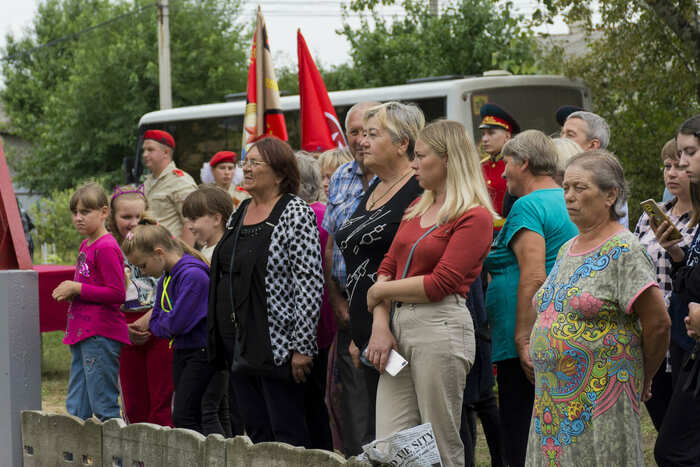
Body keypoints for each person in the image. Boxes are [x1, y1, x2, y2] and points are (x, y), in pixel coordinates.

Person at [526, 150, 670, 465]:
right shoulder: (567, 247)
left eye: (580, 188)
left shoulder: (625, 249)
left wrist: (645, 375)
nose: (569, 197)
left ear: (610, 195)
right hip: (553, 399)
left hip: (603, 397)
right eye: (566, 188)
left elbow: (659, 323)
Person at [365, 120, 495, 467]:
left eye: (421, 156)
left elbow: (442, 283)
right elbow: (388, 263)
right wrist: (381, 324)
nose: (413, 164)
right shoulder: (417, 207)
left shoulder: (475, 216)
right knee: (390, 443)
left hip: (441, 326)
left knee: (439, 441)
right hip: (398, 324)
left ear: (449, 159)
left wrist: (380, 292)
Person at [206, 136, 323, 447]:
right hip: (239, 342)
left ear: (280, 173)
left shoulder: (294, 211)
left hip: (278, 344)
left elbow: (309, 281)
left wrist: (302, 347)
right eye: (247, 161)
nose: (246, 168)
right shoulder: (241, 210)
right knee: (256, 431)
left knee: (286, 432)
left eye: (255, 163)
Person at [482, 130, 578, 467]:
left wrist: (523, 339)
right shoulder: (565, 199)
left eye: (506, 162)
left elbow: (534, 274)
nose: (503, 171)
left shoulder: (528, 205)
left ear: (524, 163)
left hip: (527, 336)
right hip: (560, 327)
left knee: (522, 436)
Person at [335, 101, 425, 446]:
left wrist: (379, 328)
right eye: (361, 134)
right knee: (390, 436)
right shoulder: (375, 186)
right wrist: (361, 335)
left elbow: (403, 263)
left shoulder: (417, 189)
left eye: (373, 135)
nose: (362, 142)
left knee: (420, 429)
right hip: (371, 334)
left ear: (403, 143)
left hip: (400, 331)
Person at [321, 101, 379, 455]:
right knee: (354, 401)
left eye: (368, 132)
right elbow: (330, 247)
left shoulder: (403, 178)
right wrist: (337, 299)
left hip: (388, 304)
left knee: (390, 403)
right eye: (354, 132)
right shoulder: (341, 176)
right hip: (347, 307)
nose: (360, 140)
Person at [122, 224, 214, 434]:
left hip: (200, 352)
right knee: (184, 414)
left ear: (158, 253)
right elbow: (159, 318)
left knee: (188, 415)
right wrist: (162, 320)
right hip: (183, 351)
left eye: (143, 266)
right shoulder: (166, 278)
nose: (142, 272)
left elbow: (174, 324)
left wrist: (161, 321)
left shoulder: (193, 276)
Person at [633, 138, 697, 430]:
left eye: (678, 166)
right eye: (666, 166)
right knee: (663, 425)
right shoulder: (651, 217)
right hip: (651, 331)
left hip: (685, 333)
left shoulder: (697, 221)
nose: (671, 173)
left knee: (683, 432)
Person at [52, 182, 128, 421]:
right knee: (77, 406)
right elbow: (93, 285)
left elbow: (117, 294)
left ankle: (118, 458)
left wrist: (78, 288)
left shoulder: (106, 247)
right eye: (75, 212)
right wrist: (74, 292)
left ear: (104, 212)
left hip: (100, 334)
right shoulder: (87, 244)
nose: (78, 218)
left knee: (103, 404)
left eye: (85, 212)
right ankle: (77, 456)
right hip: (81, 332)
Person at [107, 184, 174, 427]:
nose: (132, 222)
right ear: (111, 216)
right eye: (126, 217)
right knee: (133, 397)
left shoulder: (157, 238)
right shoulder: (106, 246)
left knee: (162, 393)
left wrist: (153, 317)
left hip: (157, 322)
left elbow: (172, 278)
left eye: (138, 216)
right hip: (124, 325)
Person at [655, 114, 700, 466]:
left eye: (689, 152)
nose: (681, 163)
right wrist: (677, 254)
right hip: (689, 345)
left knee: (674, 451)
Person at [182, 185, 238, 436]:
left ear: (217, 219)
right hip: (215, 343)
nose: (190, 226)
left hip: (217, 343)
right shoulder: (205, 251)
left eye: (195, 219)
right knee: (220, 407)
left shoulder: (222, 252)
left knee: (209, 407)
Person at [295, 151, 334, 450]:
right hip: (322, 322)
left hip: (316, 325)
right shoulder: (323, 212)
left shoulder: (310, 216)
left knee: (313, 405)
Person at [559, 110, 630, 229]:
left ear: (592, 145)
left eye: (570, 135)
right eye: (562, 133)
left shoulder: (607, 178)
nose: (562, 139)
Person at [142, 129, 197, 245]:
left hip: (170, 253)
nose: (145, 154)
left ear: (166, 153)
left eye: (150, 150)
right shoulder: (148, 181)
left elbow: (191, 223)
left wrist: (183, 258)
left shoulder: (181, 181)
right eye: (144, 150)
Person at [478, 103, 520, 218]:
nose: (485, 139)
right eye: (483, 134)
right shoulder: (480, 166)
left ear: (507, 136)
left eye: (491, 133)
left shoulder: (518, 166)